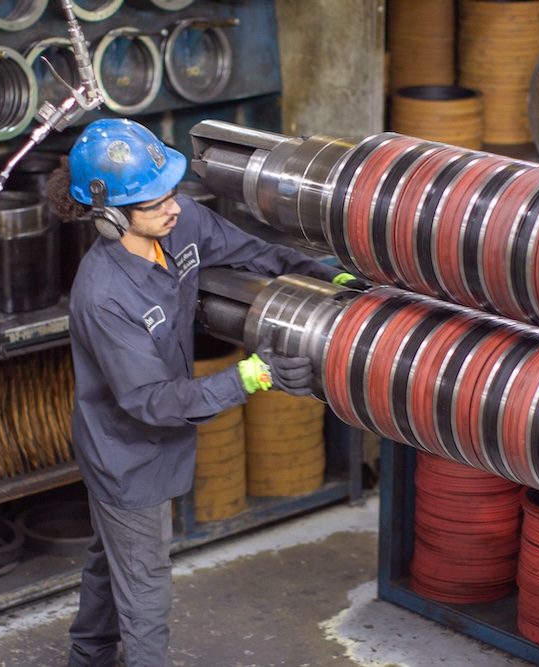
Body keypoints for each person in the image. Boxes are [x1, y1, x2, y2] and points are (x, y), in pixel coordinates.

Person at [46, 118, 365, 667]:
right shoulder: (103, 295)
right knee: (146, 594)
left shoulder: (180, 221)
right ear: (110, 217)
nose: (172, 207)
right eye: (154, 202)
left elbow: (251, 253)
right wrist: (252, 376)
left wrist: (325, 277)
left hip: (163, 443)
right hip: (125, 454)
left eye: (172, 191)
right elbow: (149, 400)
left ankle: (87, 657)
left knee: (113, 559)